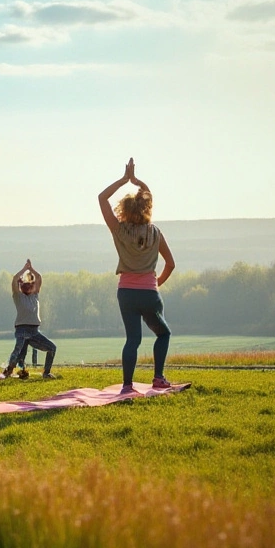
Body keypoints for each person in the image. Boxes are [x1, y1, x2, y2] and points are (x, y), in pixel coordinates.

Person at [99, 157, 176, 393]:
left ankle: (127, 385)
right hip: (149, 294)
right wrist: (156, 283)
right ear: (147, 208)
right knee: (163, 333)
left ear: (126, 209)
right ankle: (158, 377)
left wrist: (124, 180)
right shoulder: (155, 233)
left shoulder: (119, 230)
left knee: (132, 340)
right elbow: (170, 264)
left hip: (126, 293)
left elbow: (102, 198)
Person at [3, 259, 56, 379]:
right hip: (22, 330)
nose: (28, 287)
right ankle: (9, 371)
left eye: (30, 285)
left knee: (52, 348)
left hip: (34, 332)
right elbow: (14, 279)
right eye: (25, 285)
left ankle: (46, 373)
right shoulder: (18, 296)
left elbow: (39, 278)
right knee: (17, 352)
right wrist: (24, 269)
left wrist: (31, 269)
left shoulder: (35, 295)